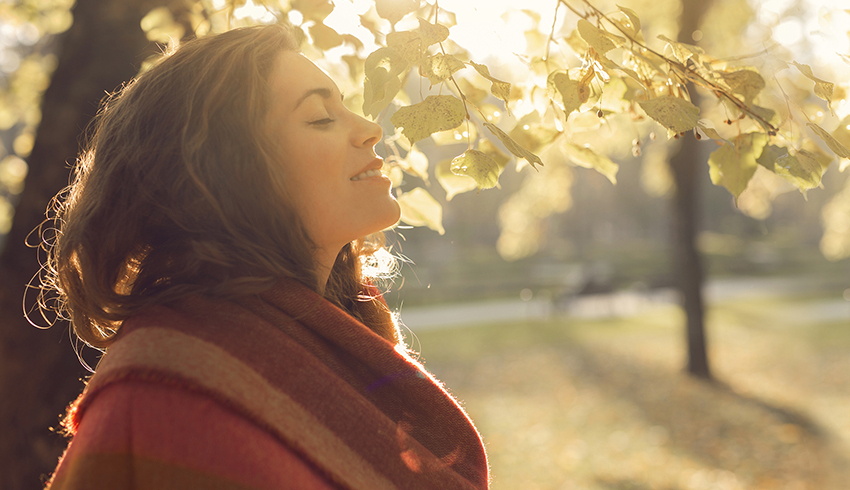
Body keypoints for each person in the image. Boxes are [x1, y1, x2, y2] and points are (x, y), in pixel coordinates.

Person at [40, 24, 489, 490]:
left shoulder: (350, 339)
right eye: (320, 117)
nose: (372, 129)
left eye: (344, 107)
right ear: (227, 173)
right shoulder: (170, 387)